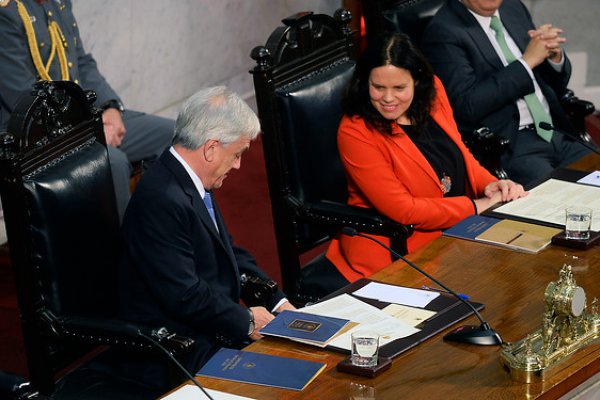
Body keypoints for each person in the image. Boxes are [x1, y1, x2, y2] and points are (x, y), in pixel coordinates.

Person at [117, 86, 295, 392]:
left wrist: (274, 298)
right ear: (211, 148)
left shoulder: (187, 180)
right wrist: (246, 320)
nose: (239, 164)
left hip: (209, 327)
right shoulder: (162, 199)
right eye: (237, 153)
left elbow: (228, 250)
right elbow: (184, 294)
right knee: (287, 384)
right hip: (174, 346)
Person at [324, 33, 527, 285]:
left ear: (417, 82)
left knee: (525, 268)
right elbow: (404, 210)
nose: (388, 99)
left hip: (457, 230)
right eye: (378, 87)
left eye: (399, 88)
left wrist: (489, 184)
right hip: (398, 248)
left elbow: (458, 152)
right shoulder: (355, 131)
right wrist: (477, 207)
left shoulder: (434, 92)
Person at [0, 0, 173, 220]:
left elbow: (81, 62)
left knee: (173, 136)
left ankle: (160, 236)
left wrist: (109, 108)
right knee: (114, 164)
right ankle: (119, 252)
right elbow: (22, 96)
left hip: (80, 118)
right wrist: (91, 131)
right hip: (37, 138)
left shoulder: (58, 2)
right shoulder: (6, 12)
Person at [421, 0, 590, 187]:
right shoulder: (443, 32)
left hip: (555, 130)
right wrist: (526, 63)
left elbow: (555, 83)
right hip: (511, 145)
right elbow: (467, 105)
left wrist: (553, 57)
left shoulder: (512, 7)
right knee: (561, 201)